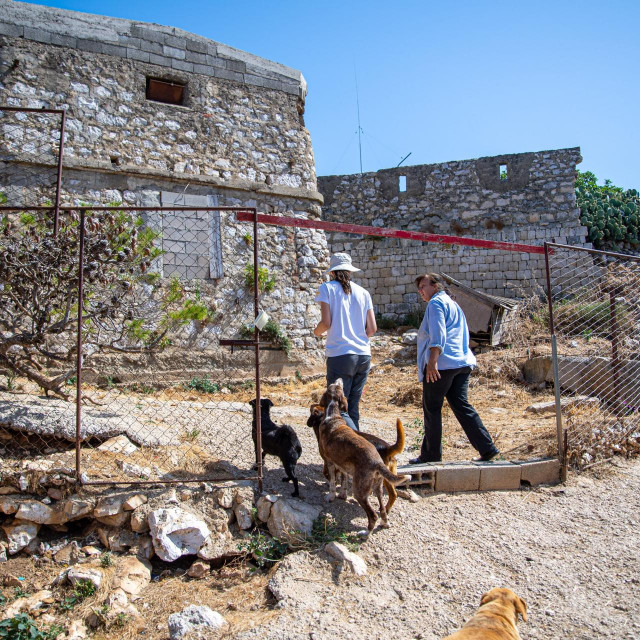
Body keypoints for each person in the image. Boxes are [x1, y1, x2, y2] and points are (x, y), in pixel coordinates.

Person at [410, 273, 500, 464]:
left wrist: (432, 362)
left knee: (432, 408)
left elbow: (438, 333)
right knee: (461, 405)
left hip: (442, 364)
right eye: (418, 288)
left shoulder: (435, 304)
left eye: (423, 286)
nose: (420, 291)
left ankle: (431, 455)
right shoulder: (452, 303)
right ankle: (487, 448)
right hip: (462, 362)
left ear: (435, 286)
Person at [313, 253, 377, 431]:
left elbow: (326, 323)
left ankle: (358, 446)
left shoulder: (327, 289)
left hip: (340, 354)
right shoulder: (364, 293)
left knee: (338, 408)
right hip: (363, 354)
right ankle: (359, 452)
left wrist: (316, 332)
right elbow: (372, 329)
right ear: (349, 272)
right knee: (352, 407)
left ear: (332, 273)